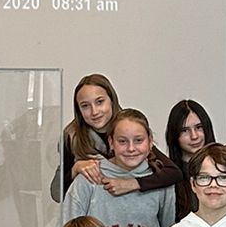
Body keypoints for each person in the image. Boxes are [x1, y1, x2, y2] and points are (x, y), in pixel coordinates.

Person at [55, 74, 180, 204]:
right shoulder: (71, 137)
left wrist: (132, 184)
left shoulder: (128, 126)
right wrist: (74, 169)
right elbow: (56, 193)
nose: (94, 112)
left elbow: (174, 173)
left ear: (112, 100)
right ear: (78, 109)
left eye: (100, 102)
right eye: (85, 106)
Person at [164, 100, 226, 218]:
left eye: (199, 127)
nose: (194, 136)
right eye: (185, 130)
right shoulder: (168, 173)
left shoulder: (225, 165)